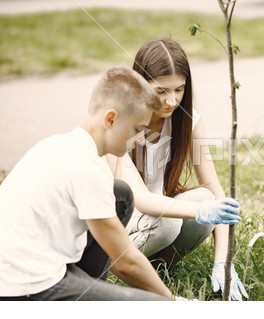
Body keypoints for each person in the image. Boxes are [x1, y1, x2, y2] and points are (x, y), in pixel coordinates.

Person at [0, 66, 174, 300]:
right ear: (110, 119)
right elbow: (127, 263)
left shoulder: (59, 144)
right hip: (24, 289)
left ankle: (88, 288)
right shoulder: (87, 168)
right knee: (155, 304)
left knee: (119, 194)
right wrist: (173, 303)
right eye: (137, 129)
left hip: (26, 265)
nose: (141, 139)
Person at [105, 38, 248, 301]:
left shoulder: (188, 120)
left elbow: (213, 189)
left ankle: (156, 272)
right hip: (113, 232)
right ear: (139, 85)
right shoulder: (121, 123)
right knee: (175, 220)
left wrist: (223, 263)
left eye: (179, 89)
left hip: (153, 224)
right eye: (160, 91)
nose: (171, 101)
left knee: (205, 199)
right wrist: (202, 211)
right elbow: (143, 200)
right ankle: (119, 270)